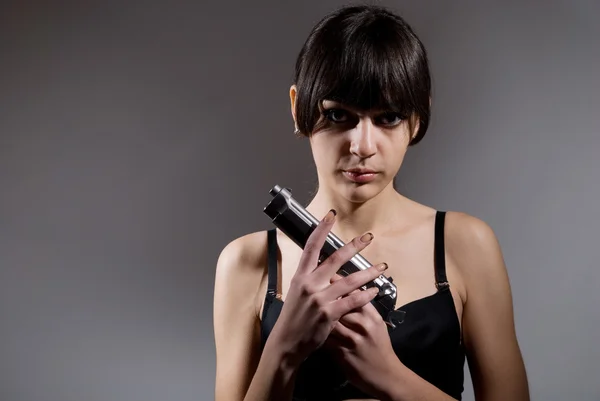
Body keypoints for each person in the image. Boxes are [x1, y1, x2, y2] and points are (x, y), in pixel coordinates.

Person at [213, 4, 530, 401]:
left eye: (389, 117)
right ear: (298, 109)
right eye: (338, 115)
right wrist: (284, 349)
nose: (362, 146)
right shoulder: (246, 263)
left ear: (418, 118)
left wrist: (389, 375)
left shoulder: (465, 246)